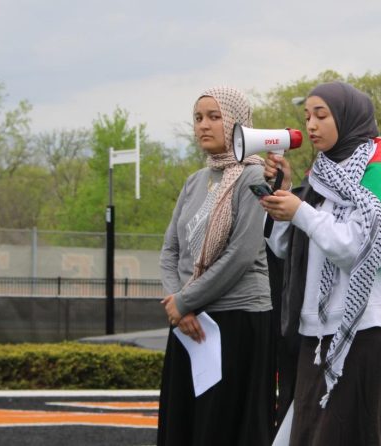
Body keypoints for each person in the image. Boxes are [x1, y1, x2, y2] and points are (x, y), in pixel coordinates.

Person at [260, 81, 381, 446]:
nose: (310, 125)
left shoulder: (378, 176)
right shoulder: (320, 178)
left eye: (321, 115)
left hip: (364, 334)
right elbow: (288, 250)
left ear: (347, 118)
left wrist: (302, 212)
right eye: (307, 115)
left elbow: (360, 250)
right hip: (317, 335)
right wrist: (284, 201)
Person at [158, 86, 275, 446]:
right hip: (189, 324)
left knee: (227, 426)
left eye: (214, 116)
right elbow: (170, 250)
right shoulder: (195, 181)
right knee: (187, 425)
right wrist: (179, 303)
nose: (203, 125)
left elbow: (241, 253)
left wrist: (186, 301)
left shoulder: (255, 178)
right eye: (198, 118)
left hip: (238, 320)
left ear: (239, 124)